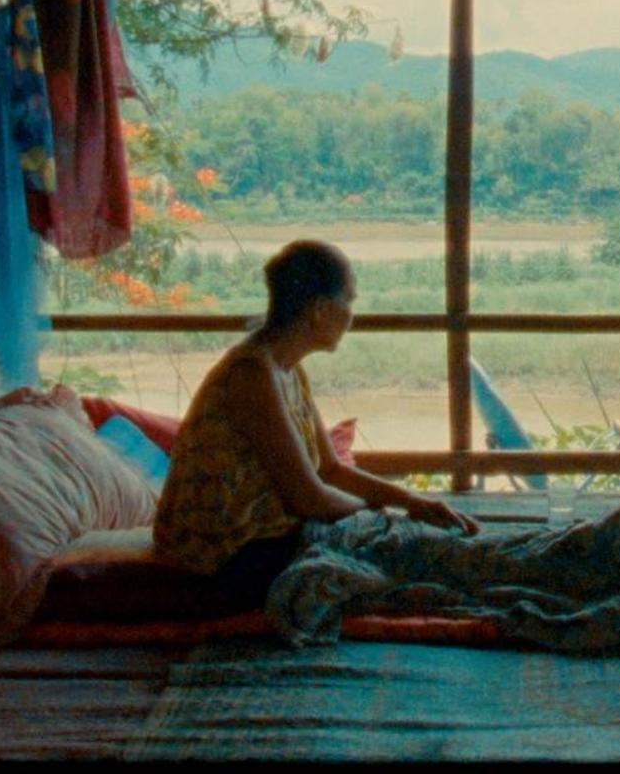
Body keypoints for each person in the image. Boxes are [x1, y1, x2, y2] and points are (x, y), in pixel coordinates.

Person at [153, 239, 479, 602]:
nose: (352, 315)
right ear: (320, 310)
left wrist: (411, 501)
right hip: (221, 557)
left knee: (411, 549)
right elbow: (310, 499)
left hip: (264, 540)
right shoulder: (251, 374)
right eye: (349, 301)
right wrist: (380, 515)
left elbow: (330, 470)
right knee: (400, 558)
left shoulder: (287, 370)